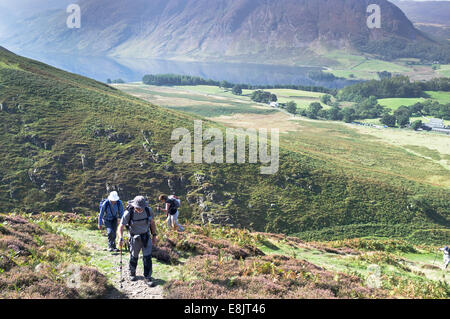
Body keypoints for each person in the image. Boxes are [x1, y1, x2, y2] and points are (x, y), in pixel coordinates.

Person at [118, 196, 158, 286]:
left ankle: (147, 277)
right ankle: (132, 273)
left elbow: (152, 223)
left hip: (146, 236)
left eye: (141, 208)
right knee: (134, 256)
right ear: (134, 206)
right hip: (134, 237)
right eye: (137, 208)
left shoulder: (148, 210)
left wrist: (154, 235)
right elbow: (121, 226)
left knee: (147, 257)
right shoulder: (128, 213)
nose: (139, 210)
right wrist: (120, 238)